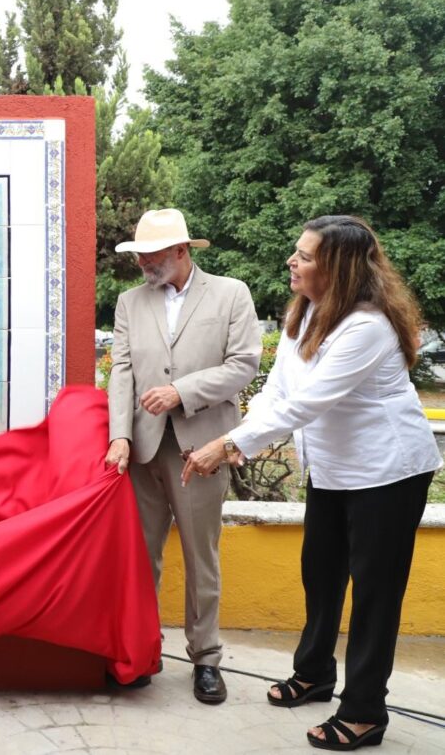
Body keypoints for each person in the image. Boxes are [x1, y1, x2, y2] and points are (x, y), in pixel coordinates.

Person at [182, 216, 442, 750]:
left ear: (338, 267)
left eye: (304, 255)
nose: (291, 262)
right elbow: (279, 389)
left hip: (387, 474)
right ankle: (315, 674)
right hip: (333, 470)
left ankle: (366, 710)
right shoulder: (306, 314)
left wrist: (227, 446)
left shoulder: (367, 326)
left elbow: (309, 402)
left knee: (375, 593)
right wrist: (238, 434)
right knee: (320, 575)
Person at [104, 208, 260, 704]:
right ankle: (142, 652)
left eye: (151, 254)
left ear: (182, 250)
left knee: (201, 557)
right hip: (144, 447)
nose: (144, 262)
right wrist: (119, 435)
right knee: (140, 558)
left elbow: (243, 365)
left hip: (204, 446)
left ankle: (206, 659)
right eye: (139, 254)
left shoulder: (231, 293)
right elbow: (122, 370)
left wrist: (181, 391)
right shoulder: (130, 302)